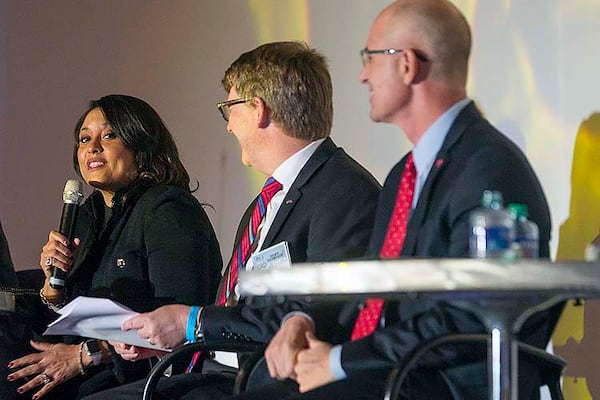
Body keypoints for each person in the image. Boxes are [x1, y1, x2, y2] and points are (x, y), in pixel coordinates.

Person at [224, 1, 558, 399]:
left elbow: (472, 316)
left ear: (407, 64)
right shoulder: (406, 172)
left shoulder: (487, 165)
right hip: (394, 371)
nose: (363, 75)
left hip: (443, 381)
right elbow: (379, 281)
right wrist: (299, 317)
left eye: (371, 57)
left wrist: (340, 361)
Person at [81, 41, 381, 400]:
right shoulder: (268, 200)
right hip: (217, 370)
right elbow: (242, 310)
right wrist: (173, 336)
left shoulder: (343, 192)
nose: (228, 127)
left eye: (229, 109)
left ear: (257, 110)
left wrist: (191, 322)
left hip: (266, 384)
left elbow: (322, 313)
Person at [6, 94, 222, 399]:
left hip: (142, 374)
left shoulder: (168, 210)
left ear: (141, 144)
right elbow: (75, 313)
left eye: (109, 135)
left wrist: (83, 355)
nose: (92, 147)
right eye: (84, 138)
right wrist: (51, 283)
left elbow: (176, 320)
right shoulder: (86, 214)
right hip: (86, 367)